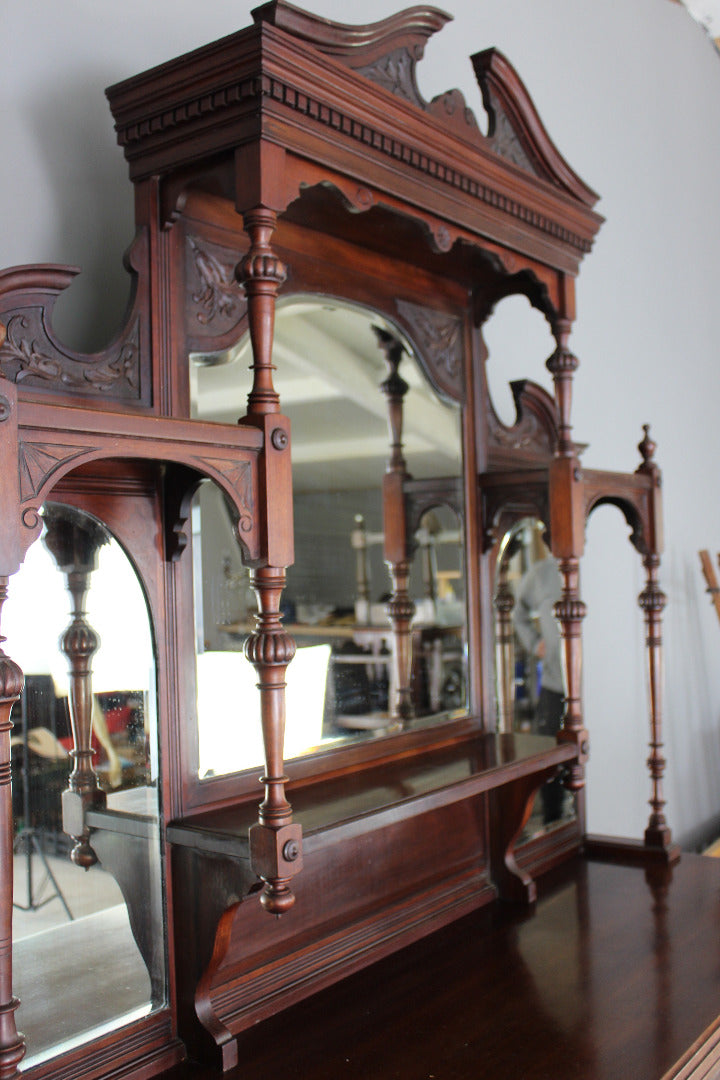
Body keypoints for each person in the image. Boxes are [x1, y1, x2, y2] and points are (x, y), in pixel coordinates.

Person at [512, 553, 565, 824]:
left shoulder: (600, 565)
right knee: (548, 759)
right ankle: (554, 825)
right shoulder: (543, 573)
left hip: (597, 685)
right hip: (556, 685)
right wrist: (534, 643)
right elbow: (517, 611)